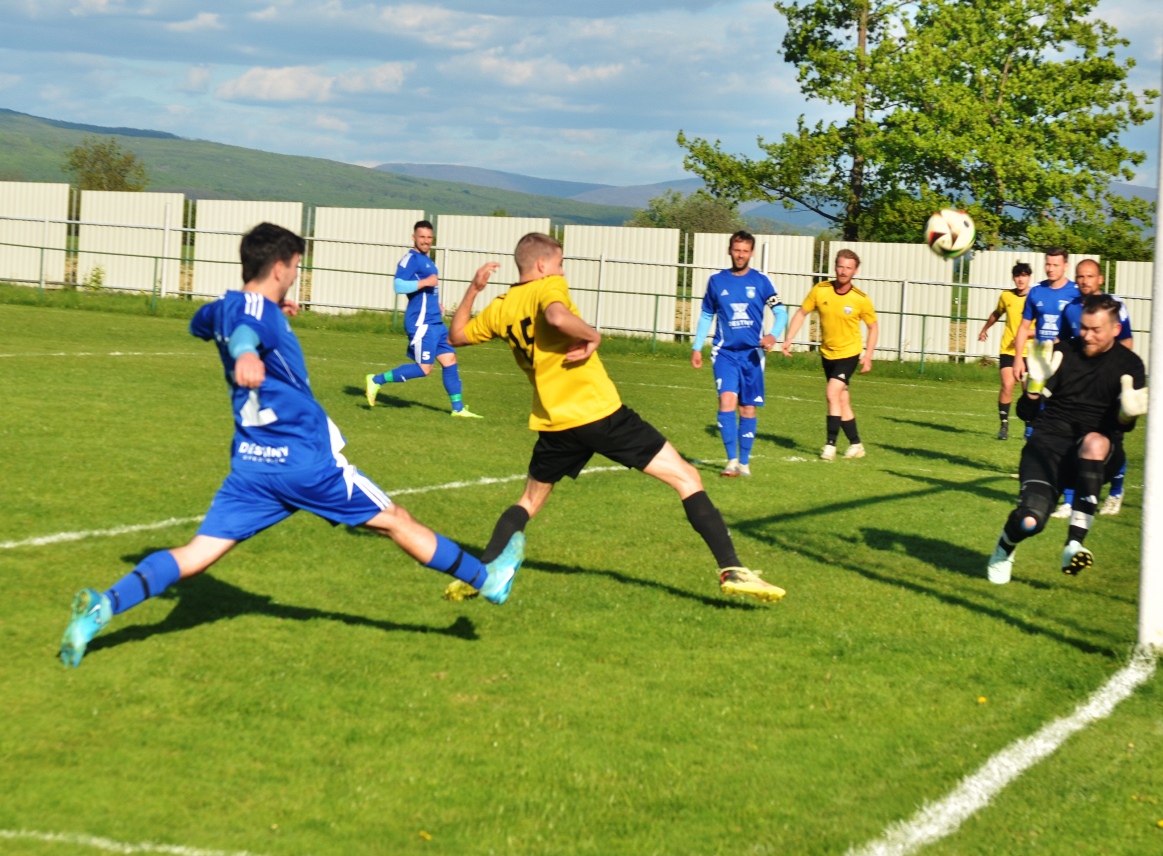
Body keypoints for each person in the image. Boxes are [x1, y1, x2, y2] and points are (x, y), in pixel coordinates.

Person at [59, 223, 510, 668]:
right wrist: (247, 351)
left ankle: (104, 606)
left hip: (253, 468)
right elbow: (246, 333)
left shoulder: (224, 307)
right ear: (278, 267)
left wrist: (260, 323)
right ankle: (486, 579)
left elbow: (206, 324)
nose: (296, 274)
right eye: (295, 266)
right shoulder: (256, 316)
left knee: (194, 555)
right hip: (306, 463)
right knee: (395, 520)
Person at [445, 232, 785, 603]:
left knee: (528, 501)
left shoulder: (502, 304)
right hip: (600, 413)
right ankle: (731, 569)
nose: (562, 271)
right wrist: (592, 335)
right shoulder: (549, 286)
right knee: (686, 477)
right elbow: (556, 316)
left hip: (555, 423)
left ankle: (483, 572)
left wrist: (474, 289)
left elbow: (457, 335)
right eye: (560, 263)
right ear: (542, 265)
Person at [986, 294, 1148, 585]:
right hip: (1047, 447)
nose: (1087, 335)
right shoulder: (1063, 353)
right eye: (1084, 327)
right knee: (1030, 520)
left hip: (1097, 453)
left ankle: (1074, 544)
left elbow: (1122, 428)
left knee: (1095, 442)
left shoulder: (1130, 365)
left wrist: (1127, 415)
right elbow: (1026, 414)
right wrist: (1034, 387)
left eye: (1096, 330)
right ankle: (1004, 548)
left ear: (1115, 329)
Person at [691, 231, 786, 477]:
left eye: (745, 251)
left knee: (747, 409)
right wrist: (697, 346)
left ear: (751, 253)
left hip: (753, 355)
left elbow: (781, 313)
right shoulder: (716, 281)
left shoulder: (762, 281)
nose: (740, 255)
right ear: (729, 250)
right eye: (737, 250)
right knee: (726, 401)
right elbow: (706, 315)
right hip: (724, 353)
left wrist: (773, 335)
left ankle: (744, 463)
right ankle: (731, 461)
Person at [364, 220, 481, 418]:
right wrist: (425, 282)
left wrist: (436, 305)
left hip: (435, 321)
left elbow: (426, 293)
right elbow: (398, 286)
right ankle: (376, 380)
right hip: (421, 323)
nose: (426, 241)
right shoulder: (410, 259)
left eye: (429, 237)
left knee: (450, 359)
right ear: (414, 238)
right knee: (425, 368)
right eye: (422, 237)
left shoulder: (427, 261)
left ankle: (458, 409)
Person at [781, 248, 879, 460]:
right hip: (828, 354)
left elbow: (873, 327)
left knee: (832, 394)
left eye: (848, 268)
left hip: (849, 354)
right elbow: (801, 313)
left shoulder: (860, 299)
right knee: (842, 400)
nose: (843, 271)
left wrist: (868, 355)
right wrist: (788, 338)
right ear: (835, 267)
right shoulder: (820, 290)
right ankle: (856, 445)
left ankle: (830, 445)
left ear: (855, 271)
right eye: (840, 266)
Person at [1056, 258, 1134, 516]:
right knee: (1071, 437)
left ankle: (1115, 493)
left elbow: (1127, 342)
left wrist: (1116, 375)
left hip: (1107, 384)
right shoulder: (1070, 309)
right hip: (1078, 386)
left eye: (1090, 276)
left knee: (1110, 439)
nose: (1084, 281)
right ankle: (1069, 501)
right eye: (1080, 276)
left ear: (1100, 279)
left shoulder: (1115, 307)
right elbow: (1063, 343)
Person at [1010, 247, 1081, 441]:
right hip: (1039, 361)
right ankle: (1031, 447)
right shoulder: (1036, 292)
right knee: (1033, 406)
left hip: (1065, 360)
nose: (1050, 269)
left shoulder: (1076, 293)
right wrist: (1018, 359)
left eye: (1055, 265)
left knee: (1062, 409)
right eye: (1048, 264)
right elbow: (1024, 327)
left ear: (1066, 266)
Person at [976, 262, 1032, 440]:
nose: (1020, 279)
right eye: (1017, 276)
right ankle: (1004, 426)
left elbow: (1042, 326)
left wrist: (1025, 335)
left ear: (1029, 277)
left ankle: (1029, 428)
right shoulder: (1006, 296)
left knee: (1028, 391)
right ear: (1014, 278)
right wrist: (985, 329)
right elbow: (997, 313)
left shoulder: (1035, 297)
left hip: (1029, 351)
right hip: (1008, 349)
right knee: (1007, 385)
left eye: (1024, 275)